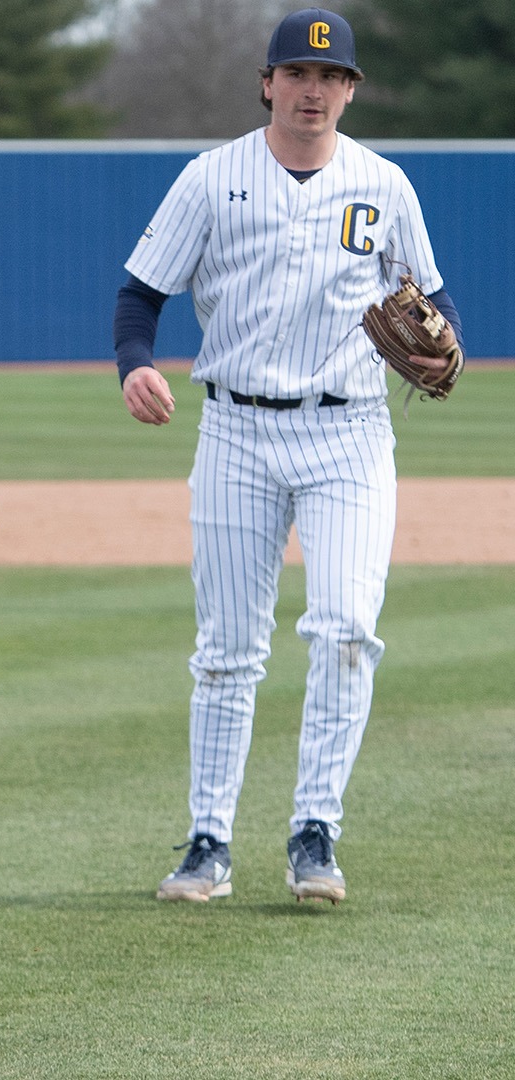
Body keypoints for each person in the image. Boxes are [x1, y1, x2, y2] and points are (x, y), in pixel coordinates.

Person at [114, 8, 464, 905]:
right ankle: (207, 841)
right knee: (229, 650)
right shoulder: (210, 178)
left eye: (332, 77)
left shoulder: (383, 184)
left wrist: (443, 339)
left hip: (349, 433)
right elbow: (140, 294)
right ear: (268, 83)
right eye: (297, 75)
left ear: (350, 90)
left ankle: (316, 832)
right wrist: (135, 366)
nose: (314, 91)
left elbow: (433, 302)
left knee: (347, 629)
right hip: (234, 430)